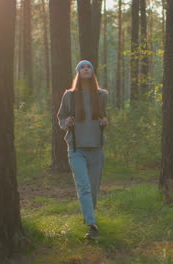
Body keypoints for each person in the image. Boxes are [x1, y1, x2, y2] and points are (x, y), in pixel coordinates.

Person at [57, 60, 108, 239]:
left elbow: (105, 117)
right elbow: (61, 117)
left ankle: (89, 215)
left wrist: (104, 122)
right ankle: (92, 224)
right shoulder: (69, 95)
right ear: (78, 72)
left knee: (93, 189)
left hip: (96, 148)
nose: (86, 69)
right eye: (83, 67)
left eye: (89, 67)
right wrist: (66, 124)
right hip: (76, 147)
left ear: (93, 72)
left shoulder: (101, 95)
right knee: (84, 187)